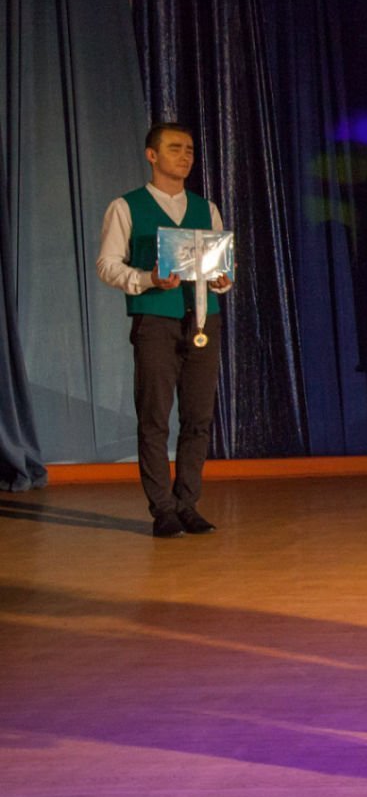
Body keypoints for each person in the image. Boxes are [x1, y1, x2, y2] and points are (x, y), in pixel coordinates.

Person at [95, 123, 232, 539]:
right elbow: (107, 265)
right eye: (175, 148)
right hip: (155, 319)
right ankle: (163, 509)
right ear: (152, 155)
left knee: (198, 416)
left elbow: (219, 267)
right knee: (154, 416)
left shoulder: (206, 208)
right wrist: (148, 279)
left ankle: (187, 503)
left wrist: (222, 281)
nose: (185, 156)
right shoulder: (127, 206)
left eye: (189, 149)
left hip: (203, 319)